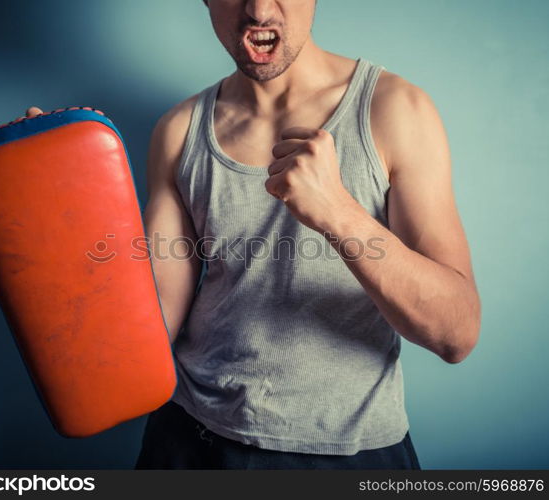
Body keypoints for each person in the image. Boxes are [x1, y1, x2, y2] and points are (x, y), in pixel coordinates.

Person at [28, 0, 481, 470]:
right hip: (189, 439)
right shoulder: (179, 130)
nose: (259, 8)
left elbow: (457, 333)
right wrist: (62, 210)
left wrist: (339, 213)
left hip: (343, 453)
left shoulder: (395, 110)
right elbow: (152, 323)